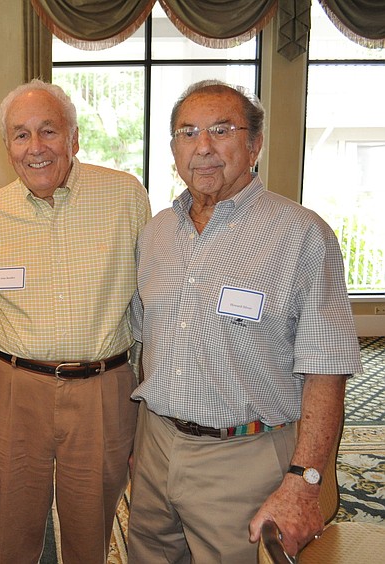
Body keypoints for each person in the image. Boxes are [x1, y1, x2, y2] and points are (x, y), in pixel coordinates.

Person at [127, 79, 363, 562]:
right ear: (173, 149)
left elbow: (327, 369)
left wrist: (304, 482)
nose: (204, 147)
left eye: (221, 130)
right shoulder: (155, 234)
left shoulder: (301, 235)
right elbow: (142, 343)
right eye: (187, 133)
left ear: (254, 144)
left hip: (246, 459)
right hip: (156, 447)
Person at [0, 79, 151, 563]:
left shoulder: (125, 198)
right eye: (21, 135)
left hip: (102, 391)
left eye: (49, 131)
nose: (36, 147)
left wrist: (146, 414)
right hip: (12, 391)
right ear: (7, 146)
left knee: (90, 536)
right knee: (14, 536)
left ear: (74, 137)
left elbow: (149, 308)